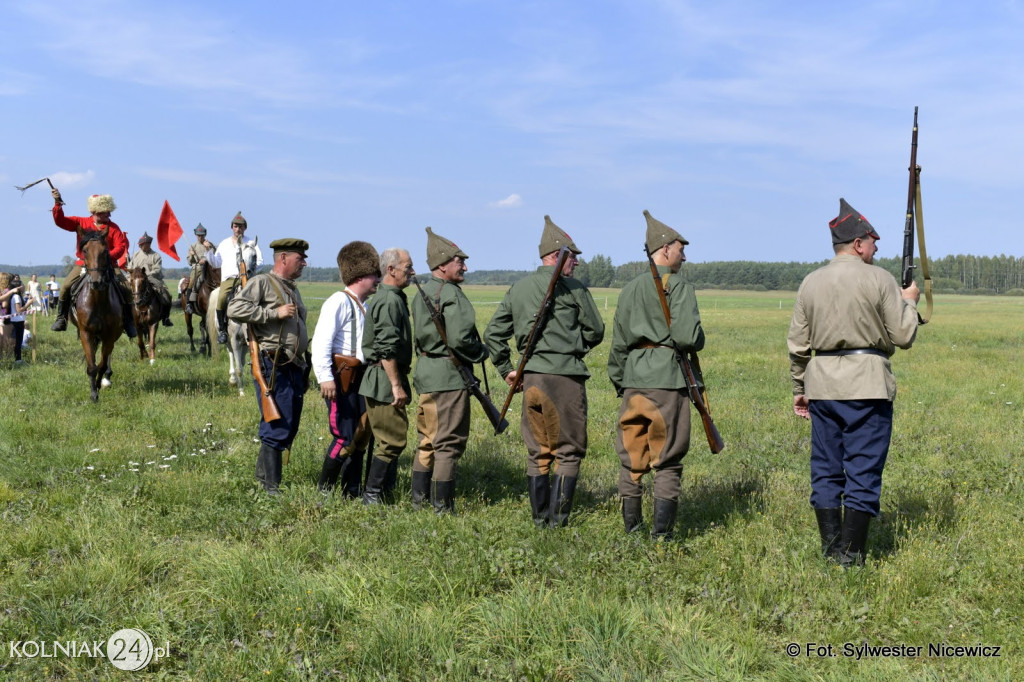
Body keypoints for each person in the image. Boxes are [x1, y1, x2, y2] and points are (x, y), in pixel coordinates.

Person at [788, 198, 920, 567]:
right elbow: (904, 335)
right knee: (862, 469)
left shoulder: (810, 282)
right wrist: (909, 302)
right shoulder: (880, 279)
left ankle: (832, 552)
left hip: (822, 387)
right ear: (859, 244)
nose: (877, 248)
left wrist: (800, 390)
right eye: (873, 242)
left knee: (826, 468)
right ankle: (851, 557)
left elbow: (798, 346)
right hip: (868, 387)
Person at [484, 215, 605, 528]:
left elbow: (494, 334)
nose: (576, 263)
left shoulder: (519, 288)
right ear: (556, 256)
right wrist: (572, 347)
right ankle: (559, 521)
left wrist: (507, 370)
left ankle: (540, 520)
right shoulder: (574, 289)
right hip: (565, 379)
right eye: (572, 256)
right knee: (568, 451)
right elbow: (596, 331)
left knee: (538, 451)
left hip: (532, 380)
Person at [607, 211, 705, 539]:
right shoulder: (679, 286)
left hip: (633, 380)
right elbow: (690, 338)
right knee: (668, 459)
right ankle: (661, 538)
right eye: (680, 249)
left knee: (631, 458)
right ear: (664, 249)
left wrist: (621, 380)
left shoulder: (629, 289)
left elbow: (618, 342)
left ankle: (632, 531)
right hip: (667, 381)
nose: (684, 255)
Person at [410, 228, 488, 513]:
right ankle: (442, 506)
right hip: (449, 377)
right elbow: (461, 340)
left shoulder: (423, 293)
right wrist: (481, 352)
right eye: (459, 261)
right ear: (442, 264)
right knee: (449, 444)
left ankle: (418, 501)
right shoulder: (451, 294)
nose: (465, 266)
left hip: (427, 373)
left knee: (427, 440)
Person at [227, 238, 310, 494]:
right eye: (300, 259)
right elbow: (234, 307)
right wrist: (273, 314)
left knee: (289, 423)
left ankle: (263, 478)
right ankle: (270, 488)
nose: (304, 263)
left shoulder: (291, 288)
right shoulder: (262, 282)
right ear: (283, 258)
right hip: (273, 363)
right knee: (277, 423)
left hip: (293, 365)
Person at [311, 241, 381, 498]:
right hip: (341, 377)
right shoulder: (338, 302)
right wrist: (325, 378)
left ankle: (351, 490)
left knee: (360, 435)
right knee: (343, 434)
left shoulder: (367, 305)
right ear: (360, 275)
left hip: (362, 377)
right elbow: (322, 342)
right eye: (375, 274)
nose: (378, 279)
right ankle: (324, 491)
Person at [358, 248, 415, 505]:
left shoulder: (390, 297)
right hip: (383, 379)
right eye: (408, 267)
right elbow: (385, 348)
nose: (413, 272)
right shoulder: (390, 300)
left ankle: (383, 492)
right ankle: (372, 496)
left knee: (389, 437)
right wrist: (395, 385)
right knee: (392, 440)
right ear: (391, 270)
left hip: (383, 377)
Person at [49, 189, 136, 338]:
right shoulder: (80, 222)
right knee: (65, 287)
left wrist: (107, 257)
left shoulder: (114, 227)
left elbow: (121, 246)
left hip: (108, 265)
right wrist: (57, 203)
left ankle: (128, 321)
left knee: (127, 289)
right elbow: (60, 221)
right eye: (105, 212)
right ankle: (61, 318)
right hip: (83, 264)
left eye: (109, 212)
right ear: (96, 211)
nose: (109, 215)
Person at [208, 212, 263, 345]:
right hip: (229, 279)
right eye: (236, 226)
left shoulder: (251, 243)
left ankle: (262, 327)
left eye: (241, 227)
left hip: (248, 278)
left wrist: (250, 271)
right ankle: (222, 330)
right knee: (221, 298)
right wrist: (208, 251)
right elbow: (216, 263)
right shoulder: (224, 243)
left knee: (262, 297)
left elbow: (260, 261)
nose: (238, 229)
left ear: (245, 228)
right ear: (232, 227)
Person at [127, 232, 174, 327]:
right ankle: (127, 318)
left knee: (166, 295)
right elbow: (130, 267)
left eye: (147, 244)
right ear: (140, 245)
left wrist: (146, 275)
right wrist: (130, 273)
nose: (145, 246)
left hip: (153, 278)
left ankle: (166, 317)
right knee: (124, 293)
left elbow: (157, 269)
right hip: (137, 280)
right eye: (143, 244)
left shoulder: (156, 255)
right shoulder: (136, 255)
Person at [184, 223, 215, 315]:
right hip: (197, 268)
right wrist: (192, 256)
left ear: (205, 235)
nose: (200, 237)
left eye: (202, 235)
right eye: (198, 235)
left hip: (209, 268)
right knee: (192, 281)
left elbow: (213, 256)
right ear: (195, 235)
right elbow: (189, 262)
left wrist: (205, 260)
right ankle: (189, 304)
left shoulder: (209, 245)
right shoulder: (192, 246)